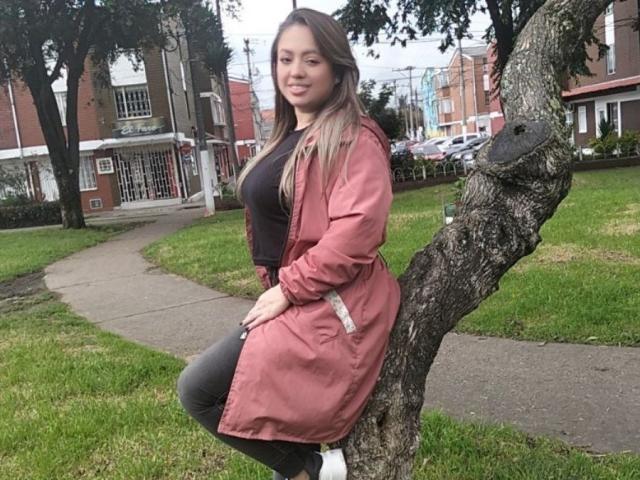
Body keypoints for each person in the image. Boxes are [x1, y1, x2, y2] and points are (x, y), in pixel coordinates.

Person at [177, 8, 401, 480]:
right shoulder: (286, 136)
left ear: (337, 69)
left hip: (330, 301)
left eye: (311, 60)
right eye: (285, 59)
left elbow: (357, 232)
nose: (295, 71)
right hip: (299, 297)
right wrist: (282, 288)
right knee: (281, 421)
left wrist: (288, 289)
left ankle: (316, 470)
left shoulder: (353, 138)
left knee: (198, 389)